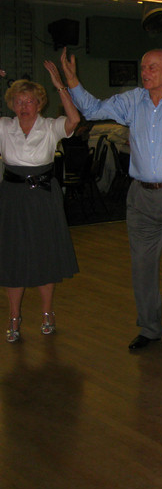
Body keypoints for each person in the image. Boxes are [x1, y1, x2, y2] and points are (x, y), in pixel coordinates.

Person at [63, 0, 162, 357]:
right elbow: (95, 109)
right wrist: (73, 83)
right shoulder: (132, 101)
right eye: (142, 67)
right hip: (142, 196)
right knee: (142, 270)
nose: (143, 72)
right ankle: (149, 328)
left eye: (150, 67)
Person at [0, 65, 80, 342]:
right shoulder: (4, 126)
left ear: (39, 103)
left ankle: (47, 313)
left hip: (43, 196)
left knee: (44, 254)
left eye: (29, 101)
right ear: (12, 104)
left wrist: (61, 86)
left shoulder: (49, 126)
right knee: (13, 256)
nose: (24, 106)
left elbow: (73, 119)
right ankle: (14, 316)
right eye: (19, 102)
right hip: (12, 197)